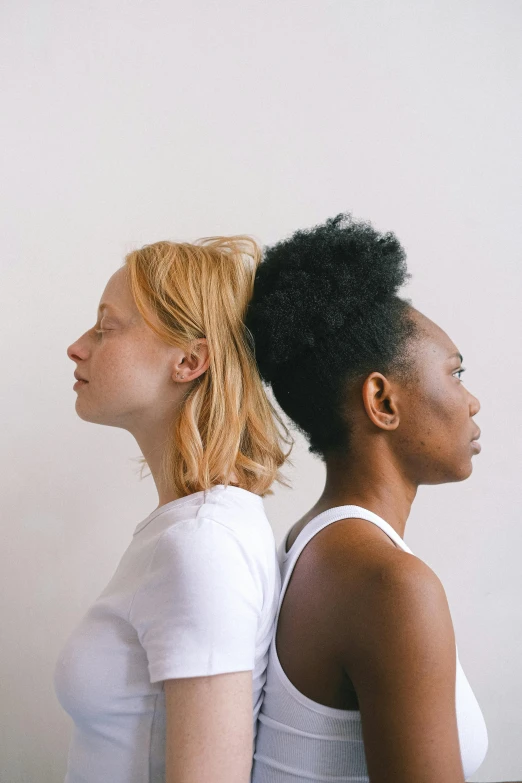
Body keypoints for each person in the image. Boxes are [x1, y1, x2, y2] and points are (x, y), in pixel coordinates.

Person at [245, 214, 490, 783]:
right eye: (456, 373)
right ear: (382, 401)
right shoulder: (391, 585)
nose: (472, 401)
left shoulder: (314, 542)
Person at [54, 235, 292, 783]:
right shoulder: (192, 529)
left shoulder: (202, 543)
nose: (77, 346)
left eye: (106, 326)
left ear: (189, 360)